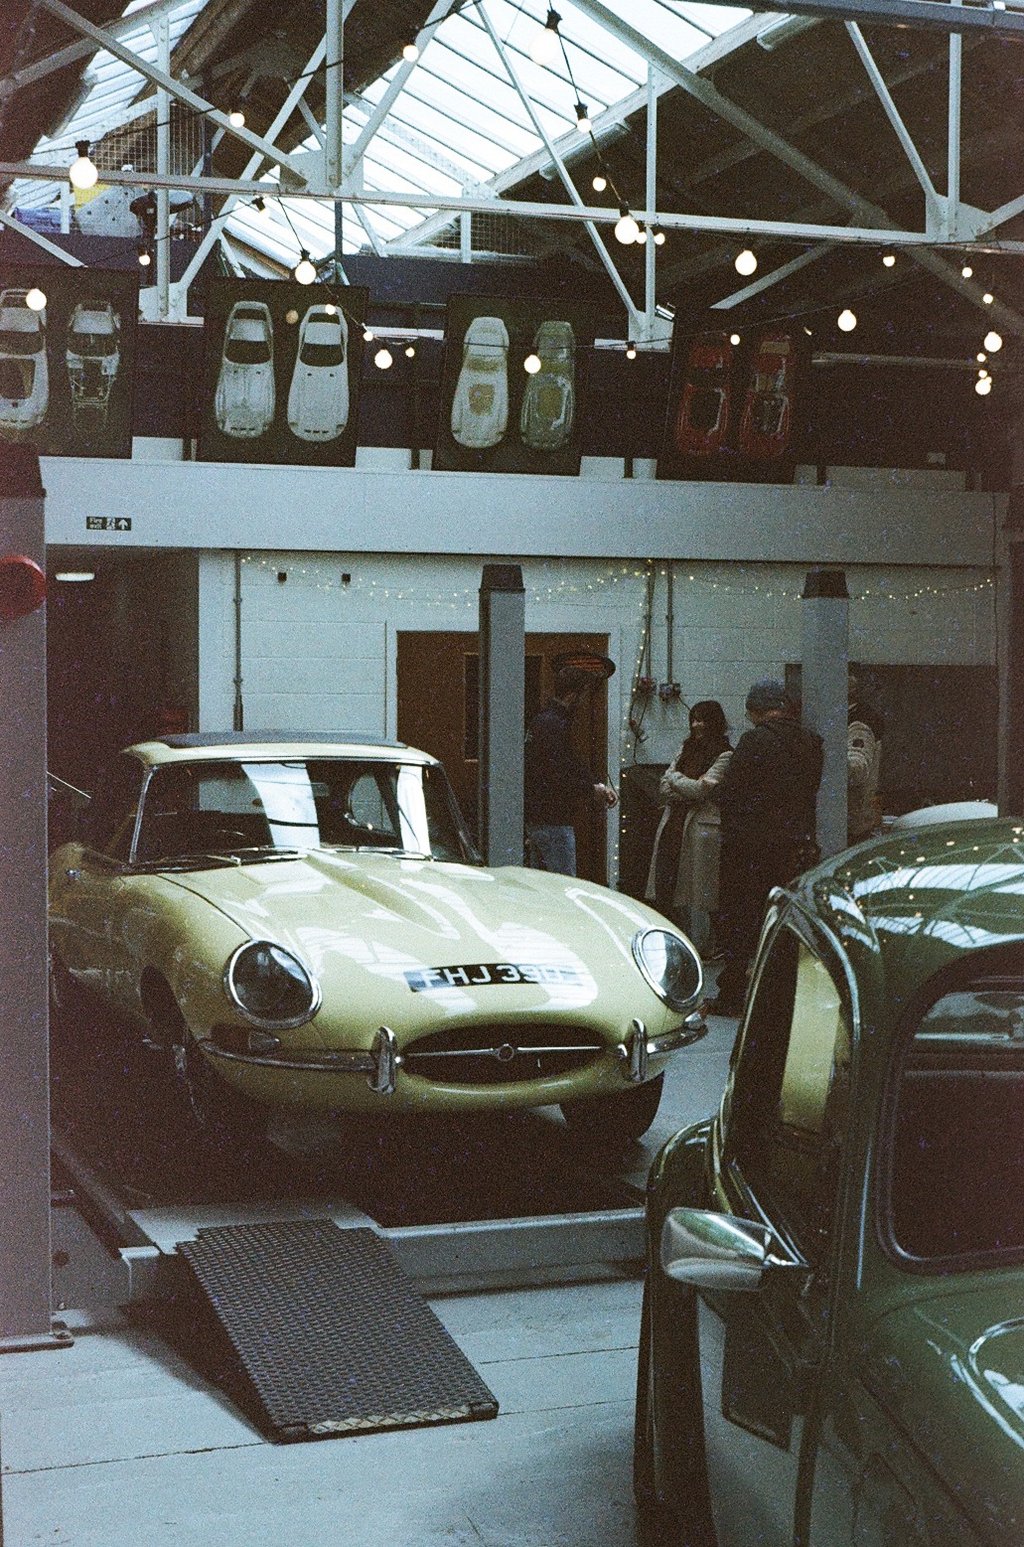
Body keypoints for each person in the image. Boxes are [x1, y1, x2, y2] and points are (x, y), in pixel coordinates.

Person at [708, 678, 823, 1016]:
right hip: (795, 845)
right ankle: (781, 995)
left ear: (755, 710)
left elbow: (733, 792)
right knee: (784, 919)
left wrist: (715, 791)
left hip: (750, 847)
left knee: (741, 919)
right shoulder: (812, 742)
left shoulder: (754, 740)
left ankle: (733, 993)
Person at [644, 700, 732, 952]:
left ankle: (702, 946)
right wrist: (685, 784)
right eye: (693, 719)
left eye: (702, 719)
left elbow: (700, 791)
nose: (696, 725)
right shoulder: (685, 748)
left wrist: (676, 780)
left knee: (697, 891)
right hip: (673, 825)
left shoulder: (725, 754)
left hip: (698, 829)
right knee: (668, 885)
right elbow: (665, 787)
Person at [524, 664, 617, 876]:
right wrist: (592, 789)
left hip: (537, 817)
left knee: (541, 882)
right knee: (562, 882)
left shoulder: (542, 720)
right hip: (554, 818)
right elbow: (559, 772)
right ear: (573, 696)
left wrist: (594, 785)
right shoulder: (557, 724)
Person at [848, 666, 884, 843]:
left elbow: (857, 770)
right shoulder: (852, 718)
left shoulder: (860, 722)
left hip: (853, 821)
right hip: (851, 819)